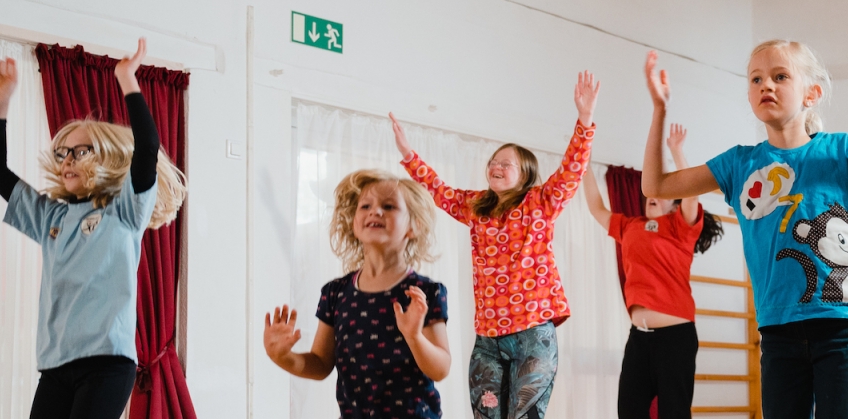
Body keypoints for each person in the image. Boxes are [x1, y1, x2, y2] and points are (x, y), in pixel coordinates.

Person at [639, 45, 848, 419]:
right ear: (749, 95)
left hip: (839, 328)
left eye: (781, 76)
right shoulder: (739, 163)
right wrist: (660, 111)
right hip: (778, 333)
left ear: (812, 93)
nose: (768, 85)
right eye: (757, 79)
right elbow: (655, 185)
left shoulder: (840, 150)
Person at [0, 39, 188, 419]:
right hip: (57, 367)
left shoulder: (124, 212)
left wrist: (127, 79)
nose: (67, 161)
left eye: (80, 151)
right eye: (62, 153)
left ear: (105, 157)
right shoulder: (50, 218)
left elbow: (147, 148)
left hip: (107, 365)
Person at [395, 71, 600, 419]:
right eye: (493, 162)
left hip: (533, 332)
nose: (496, 166)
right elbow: (440, 191)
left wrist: (584, 120)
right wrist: (409, 155)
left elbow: (571, 171)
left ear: (526, 174)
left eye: (507, 164)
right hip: (488, 339)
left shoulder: (541, 201)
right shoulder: (477, 207)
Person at [262, 169, 452, 418]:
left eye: (389, 206)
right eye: (365, 206)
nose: (375, 211)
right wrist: (282, 356)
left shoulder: (424, 292)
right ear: (353, 223)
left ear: (413, 227)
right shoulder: (336, 293)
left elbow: (441, 369)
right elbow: (320, 365)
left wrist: (414, 336)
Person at [584, 123, 725, 419]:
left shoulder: (680, 226)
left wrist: (676, 151)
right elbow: (597, 208)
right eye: (651, 190)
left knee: (674, 413)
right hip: (638, 337)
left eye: (662, 192)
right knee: (629, 412)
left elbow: (691, 194)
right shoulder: (629, 226)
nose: (653, 194)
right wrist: (583, 162)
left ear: (673, 201)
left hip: (676, 338)